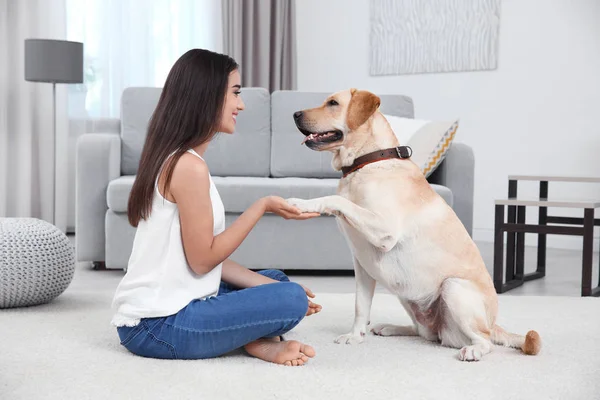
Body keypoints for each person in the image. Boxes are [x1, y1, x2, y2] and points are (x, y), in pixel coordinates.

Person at [111, 49, 322, 366]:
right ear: (206, 96)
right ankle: (259, 339)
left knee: (276, 280)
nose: (241, 104)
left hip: (168, 307)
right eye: (236, 93)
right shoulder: (188, 167)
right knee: (289, 298)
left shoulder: (179, 158)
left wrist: (269, 287)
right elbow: (203, 261)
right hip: (157, 326)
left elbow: (204, 262)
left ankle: (258, 340)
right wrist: (260, 206)